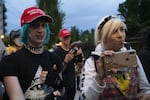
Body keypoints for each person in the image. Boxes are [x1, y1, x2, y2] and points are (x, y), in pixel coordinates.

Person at [79, 15, 150, 100]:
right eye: (114, 31)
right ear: (103, 37)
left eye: (122, 29)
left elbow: (145, 89)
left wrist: (146, 95)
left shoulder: (132, 56)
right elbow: (84, 98)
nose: (120, 35)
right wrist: (99, 78)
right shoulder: (92, 62)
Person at [0, 6, 64, 100]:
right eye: (35, 25)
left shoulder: (54, 59)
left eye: (43, 25)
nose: (40, 30)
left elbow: (62, 92)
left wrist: (58, 84)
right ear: (25, 29)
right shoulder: (10, 61)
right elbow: (16, 97)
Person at [53, 28, 84, 100]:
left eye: (68, 37)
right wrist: (66, 61)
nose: (67, 39)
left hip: (72, 85)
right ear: (60, 38)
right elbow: (57, 71)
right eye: (65, 37)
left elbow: (80, 66)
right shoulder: (57, 52)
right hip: (61, 87)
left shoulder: (71, 51)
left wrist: (79, 57)